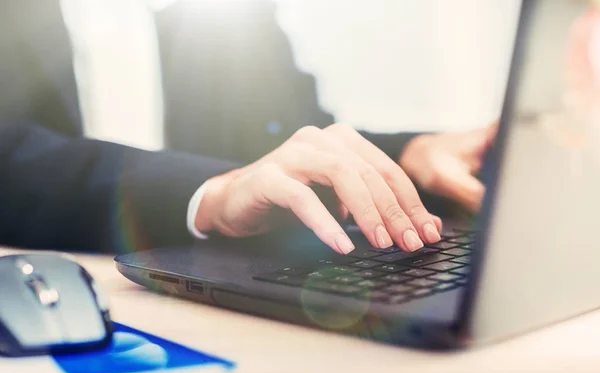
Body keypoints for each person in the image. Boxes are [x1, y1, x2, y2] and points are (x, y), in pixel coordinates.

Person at [0, 0, 496, 255]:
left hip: (214, 284)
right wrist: (213, 193)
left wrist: (410, 154)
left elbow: (285, 134)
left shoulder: (234, 16)